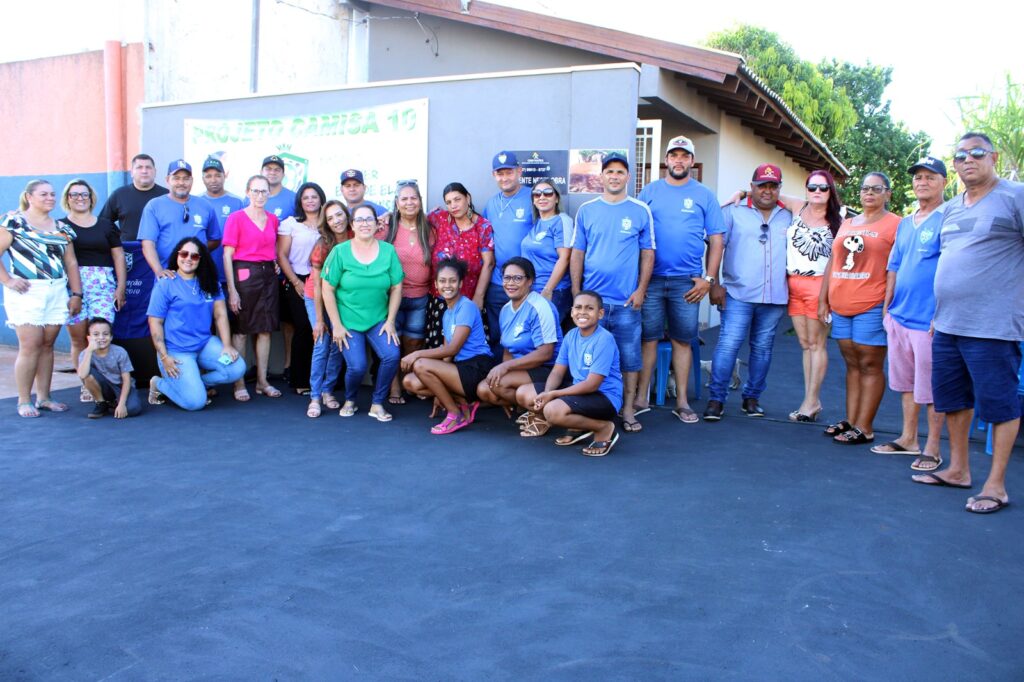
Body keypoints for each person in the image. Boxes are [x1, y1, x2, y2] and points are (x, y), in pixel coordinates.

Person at [912, 133, 1024, 514]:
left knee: (999, 405)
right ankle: (958, 470)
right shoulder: (953, 208)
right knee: (953, 401)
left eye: (976, 153)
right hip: (947, 324)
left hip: (993, 326)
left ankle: (996, 485)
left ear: (992, 156)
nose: (968, 160)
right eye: (960, 155)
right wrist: (936, 314)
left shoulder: (1014, 196)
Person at [635, 136, 724, 424]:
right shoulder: (649, 191)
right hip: (651, 280)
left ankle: (683, 402)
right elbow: (635, 235)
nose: (678, 160)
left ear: (691, 161)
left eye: (684, 156)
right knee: (648, 339)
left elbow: (716, 239)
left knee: (682, 340)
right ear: (666, 159)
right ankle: (640, 398)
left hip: (688, 283)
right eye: (673, 155)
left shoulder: (704, 195)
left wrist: (708, 280)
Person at [570, 152, 654, 433]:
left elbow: (647, 253)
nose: (615, 176)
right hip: (593, 304)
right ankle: (586, 410)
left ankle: (628, 409)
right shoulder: (587, 210)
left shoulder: (640, 210)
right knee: (587, 360)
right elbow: (577, 253)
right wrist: (576, 292)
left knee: (629, 360)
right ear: (601, 177)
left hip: (626, 303)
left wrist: (641, 290)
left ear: (628, 177)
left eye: (620, 172)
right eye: (610, 172)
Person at [874, 157, 948, 470]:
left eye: (930, 177)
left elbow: (952, 268)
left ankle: (932, 448)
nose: (922, 182)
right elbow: (894, 265)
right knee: (905, 383)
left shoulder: (949, 217)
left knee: (931, 388)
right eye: (918, 177)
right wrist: (887, 308)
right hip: (900, 317)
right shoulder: (907, 222)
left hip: (929, 320)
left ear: (944, 181)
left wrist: (942, 313)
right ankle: (908, 439)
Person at [704, 164, 792, 421]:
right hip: (737, 292)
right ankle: (716, 399)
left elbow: (820, 202)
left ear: (779, 189)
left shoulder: (790, 215)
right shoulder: (732, 211)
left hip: (774, 296)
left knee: (763, 348)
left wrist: (745, 191)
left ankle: (752, 398)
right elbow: (716, 248)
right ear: (751, 186)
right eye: (761, 185)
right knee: (728, 345)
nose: (767, 191)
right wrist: (714, 283)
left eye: (773, 186)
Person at [819, 172, 900, 445]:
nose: (869, 193)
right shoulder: (848, 223)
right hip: (842, 302)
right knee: (852, 363)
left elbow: (896, 267)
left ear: (887, 194)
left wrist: (889, 304)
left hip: (873, 303)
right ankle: (851, 420)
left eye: (876, 189)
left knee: (869, 363)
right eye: (865, 188)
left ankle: (865, 427)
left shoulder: (896, 225)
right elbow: (833, 261)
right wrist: (823, 299)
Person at [0, 179, 83, 417]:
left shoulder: (62, 228)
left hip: (57, 289)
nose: (50, 198)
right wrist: (7, 280)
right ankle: (24, 400)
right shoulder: (13, 222)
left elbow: (71, 262)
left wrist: (76, 294)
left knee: (47, 345)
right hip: (27, 291)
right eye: (44, 194)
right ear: (29, 197)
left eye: (52, 194)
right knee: (30, 345)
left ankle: (44, 397)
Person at [320, 203, 403, 422]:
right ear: (352, 225)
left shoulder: (388, 251)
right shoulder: (340, 252)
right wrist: (336, 325)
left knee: (392, 355)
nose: (365, 224)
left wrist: (391, 321)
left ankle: (377, 403)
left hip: (378, 319)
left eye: (369, 219)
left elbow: (396, 287)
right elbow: (327, 289)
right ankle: (350, 399)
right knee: (357, 366)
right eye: (359, 220)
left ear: (377, 224)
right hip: (348, 320)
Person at [515, 290, 624, 456]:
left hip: (604, 396)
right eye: (578, 307)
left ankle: (603, 428)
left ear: (600, 313)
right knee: (524, 393)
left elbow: (592, 385)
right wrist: (547, 392)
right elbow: (558, 372)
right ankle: (578, 426)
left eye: (589, 308)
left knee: (552, 411)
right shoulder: (571, 336)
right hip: (579, 391)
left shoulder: (604, 339)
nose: (582, 312)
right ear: (572, 311)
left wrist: (553, 395)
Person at [146, 237, 245, 411]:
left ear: (201, 260)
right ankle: (159, 384)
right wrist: (164, 356)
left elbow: (221, 315)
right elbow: (155, 323)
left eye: (194, 256)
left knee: (237, 368)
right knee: (195, 403)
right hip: (176, 351)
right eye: (184, 254)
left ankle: (197, 384)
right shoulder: (165, 284)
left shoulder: (210, 283)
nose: (188, 259)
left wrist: (227, 346)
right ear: (177, 256)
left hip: (204, 345)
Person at [402, 258, 494, 434]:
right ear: (435, 284)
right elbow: (446, 356)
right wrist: (439, 393)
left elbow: (453, 349)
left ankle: (454, 414)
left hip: (477, 366)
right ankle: (461, 403)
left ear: (460, 283)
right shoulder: (447, 313)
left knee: (420, 364)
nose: (447, 285)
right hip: (460, 368)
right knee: (410, 381)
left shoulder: (466, 307)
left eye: (452, 281)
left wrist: (416, 354)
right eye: (442, 281)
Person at [783, 170, 843, 422]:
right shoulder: (798, 206)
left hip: (820, 285)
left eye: (823, 188)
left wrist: (827, 296)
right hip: (793, 283)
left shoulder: (839, 219)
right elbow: (770, 193)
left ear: (831, 191)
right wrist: (740, 194)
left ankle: (811, 401)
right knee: (805, 344)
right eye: (812, 187)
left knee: (817, 344)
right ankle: (811, 400)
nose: (817, 192)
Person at [60, 179, 127, 404]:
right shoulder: (60, 227)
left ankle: (108, 385)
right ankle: (87, 384)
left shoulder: (106, 225)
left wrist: (120, 287)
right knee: (79, 339)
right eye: (74, 194)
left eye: (84, 194)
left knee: (101, 337)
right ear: (67, 199)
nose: (80, 198)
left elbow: (118, 256)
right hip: (73, 287)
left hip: (103, 286)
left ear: (91, 198)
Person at [475, 257, 562, 426]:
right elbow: (508, 350)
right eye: (507, 278)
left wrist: (505, 368)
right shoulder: (506, 310)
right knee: (485, 389)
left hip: (548, 369)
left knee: (509, 388)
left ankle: (542, 413)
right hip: (523, 368)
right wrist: (504, 370)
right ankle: (525, 406)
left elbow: (546, 352)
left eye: (517, 278)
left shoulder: (540, 306)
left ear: (530, 281)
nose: (511, 283)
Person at [223, 175, 281, 400]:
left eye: (264, 191)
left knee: (265, 329)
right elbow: (227, 256)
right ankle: (238, 382)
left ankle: (262, 382)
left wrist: (274, 263)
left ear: (269, 193)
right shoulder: (236, 218)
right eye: (255, 191)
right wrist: (232, 290)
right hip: (244, 276)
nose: (260, 196)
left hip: (268, 276)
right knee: (241, 330)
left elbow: (271, 247)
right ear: (247, 193)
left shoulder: (273, 220)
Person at [424, 183, 495, 348]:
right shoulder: (440, 218)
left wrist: (479, 297)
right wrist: (388, 216)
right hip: (439, 301)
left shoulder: (482, 227)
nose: (453, 205)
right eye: (448, 202)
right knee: (438, 351)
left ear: (467, 198)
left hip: (468, 301)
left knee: (465, 352)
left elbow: (489, 263)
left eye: (457, 199)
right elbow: (411, 215)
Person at [382, 180, 434, 404]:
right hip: (391, 297)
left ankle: (409, 382)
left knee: (413, 343)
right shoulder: (386, 227)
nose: (409, 202)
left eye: (413, 197)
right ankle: (394, 387)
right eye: (404, 198)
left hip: (420, 297)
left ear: (420, 201)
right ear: (396, 202)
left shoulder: (430, 228)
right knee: (392, 344)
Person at [482, 151, 534, 355]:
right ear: (494, 175)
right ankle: (496, 382)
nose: (504, 178)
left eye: (509, 172)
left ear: (519, 171)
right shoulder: (492, 203)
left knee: (524, 336)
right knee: (497, 335)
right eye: (500, 173)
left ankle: (519, 380)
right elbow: (479, 229)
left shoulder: (533, 197)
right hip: (498, 282)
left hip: (525, 281)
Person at [277, 182, 325, 395]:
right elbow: (281, 255)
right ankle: (300, 380)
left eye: (314, 196)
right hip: (298, 280)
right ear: (300, 201)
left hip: (325, 281)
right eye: (306, 197)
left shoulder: (329, 223)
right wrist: (296, 282)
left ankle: (325, 379)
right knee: (305, 328)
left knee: (325, 329)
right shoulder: (291, 224)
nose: (310, 201)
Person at [303, 200, 349, 418]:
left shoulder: (355, 236)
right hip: (316, 297)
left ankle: (327, 390)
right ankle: (314, 396)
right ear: (326, 223)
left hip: (341, 299)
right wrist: (320, 320)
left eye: (339, 215)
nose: (336, 221)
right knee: (322, 342)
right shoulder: (323, 244)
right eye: (330, 218)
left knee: (338, 344)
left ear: (346, 215)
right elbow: (319, 286)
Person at [138, 159, 222, 278]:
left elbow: (215, 240)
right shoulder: (154, 206)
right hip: (168, 275)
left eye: (186, 178)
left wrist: (195, 252)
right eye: (176, 178)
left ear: (192, 181)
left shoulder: (205, 206)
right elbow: (147, 243)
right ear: (167, 180)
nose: (181, 182)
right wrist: (159, 270)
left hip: (199, 276)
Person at [520, 179, 573, 320]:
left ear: (556, 198)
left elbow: (565, 257)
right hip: (532, 290)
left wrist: (548, 289)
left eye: (548, 193)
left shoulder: (562, 220)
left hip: (553, 291)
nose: (542, 197)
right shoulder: (537, 222)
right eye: (537, 194)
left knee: (547, 338)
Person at [76, 317, 143, 419]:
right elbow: (82, 374)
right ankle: (101, 402)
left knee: (133, 409)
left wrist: (121, 404)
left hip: (121, 387)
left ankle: (114, 403)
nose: (101, 337)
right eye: (96, 334)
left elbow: (126, 379)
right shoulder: (85, 354)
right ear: (89, 337)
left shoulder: (120, 352)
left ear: (111, 337)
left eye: (105, 334)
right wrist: (89, 351)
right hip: (104, 386)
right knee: (87, 373)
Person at [99, 153, 169, 241]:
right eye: (139, 167)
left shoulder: (166, 195)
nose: (144, 171)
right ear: (132, 172)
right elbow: (103, 222)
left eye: (148, 167)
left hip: (159, 250)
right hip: (129, 251)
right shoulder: (119, 195)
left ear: (155, 172)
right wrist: (117, 238)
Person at [200, 155, 244, 285]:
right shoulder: (196, 202)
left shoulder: (237, 202)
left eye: (217, 175)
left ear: (225, 176)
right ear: (202, 179)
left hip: (232, 273)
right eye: (208, 176)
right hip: (203, 272)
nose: (213, 180)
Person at [258, 154, 297, 220]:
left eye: (277, 170)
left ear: (283, 175)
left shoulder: (294, 199)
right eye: (268, 169)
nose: (272, 172)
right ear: (261, 172)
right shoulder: (251, 196)